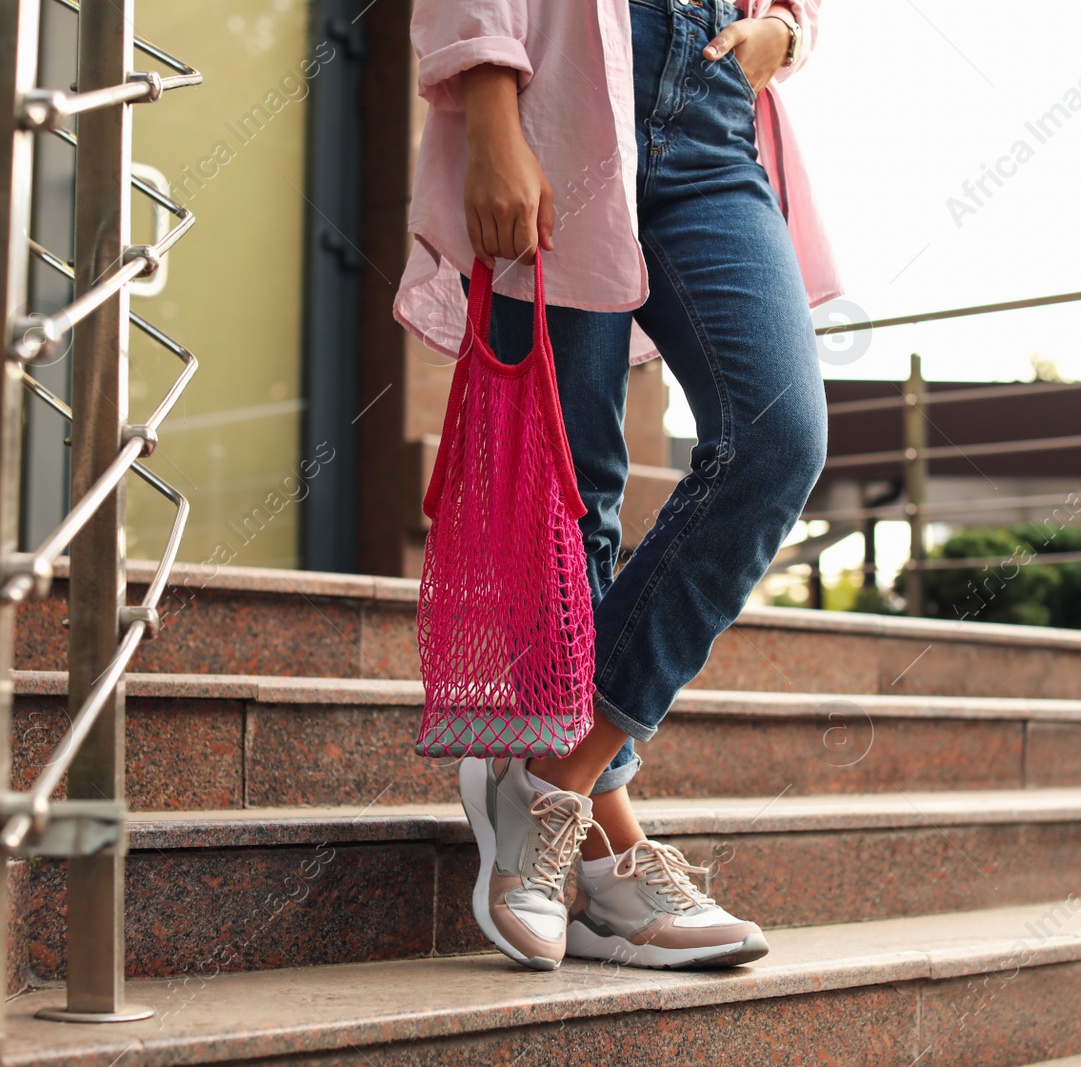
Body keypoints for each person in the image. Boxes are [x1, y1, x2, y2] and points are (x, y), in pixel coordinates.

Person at [395, 0, 839, 971]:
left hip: (714, 91)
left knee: (777, 437)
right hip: (562, 81)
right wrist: (492, 109)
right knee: (574, 483)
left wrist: (790, 32)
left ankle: (548, 777)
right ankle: (609, 855)